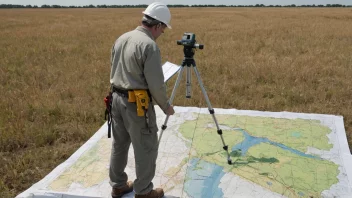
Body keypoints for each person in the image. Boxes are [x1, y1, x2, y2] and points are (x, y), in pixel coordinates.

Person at [108, 2, 175, 198]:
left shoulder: (122, 38)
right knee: (145, 147)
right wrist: (166, 106)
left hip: (115, 99)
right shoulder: (149, 46)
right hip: (136, 104)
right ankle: (144, 191)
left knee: (119, 144)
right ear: (157, 26)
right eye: (163, 29)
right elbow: (156, 84)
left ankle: (118, 185)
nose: (162, 33)